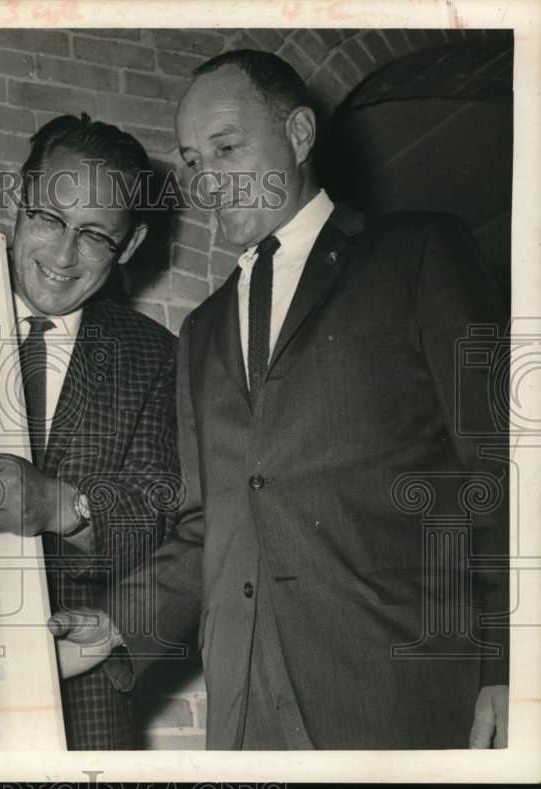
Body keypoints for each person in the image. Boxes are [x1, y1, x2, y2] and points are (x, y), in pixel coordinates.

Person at [49, 50, 510, 750]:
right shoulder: (201, 330)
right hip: (245, 714)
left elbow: (504, 467)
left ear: (297, 135)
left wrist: (511, 668)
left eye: (227, 148)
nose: (209, 180)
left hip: (396, 700)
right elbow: (208, 524)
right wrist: (117, 623)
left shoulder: (418, 252)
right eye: (194, 161)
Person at [0, 114, 181, 749]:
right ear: (19, 202)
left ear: (129, 246)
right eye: (49, 218)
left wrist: (57, 507)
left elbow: (165, 520)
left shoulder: (156, 357)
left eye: (96, 236)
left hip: (82, 701)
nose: (63, 256)